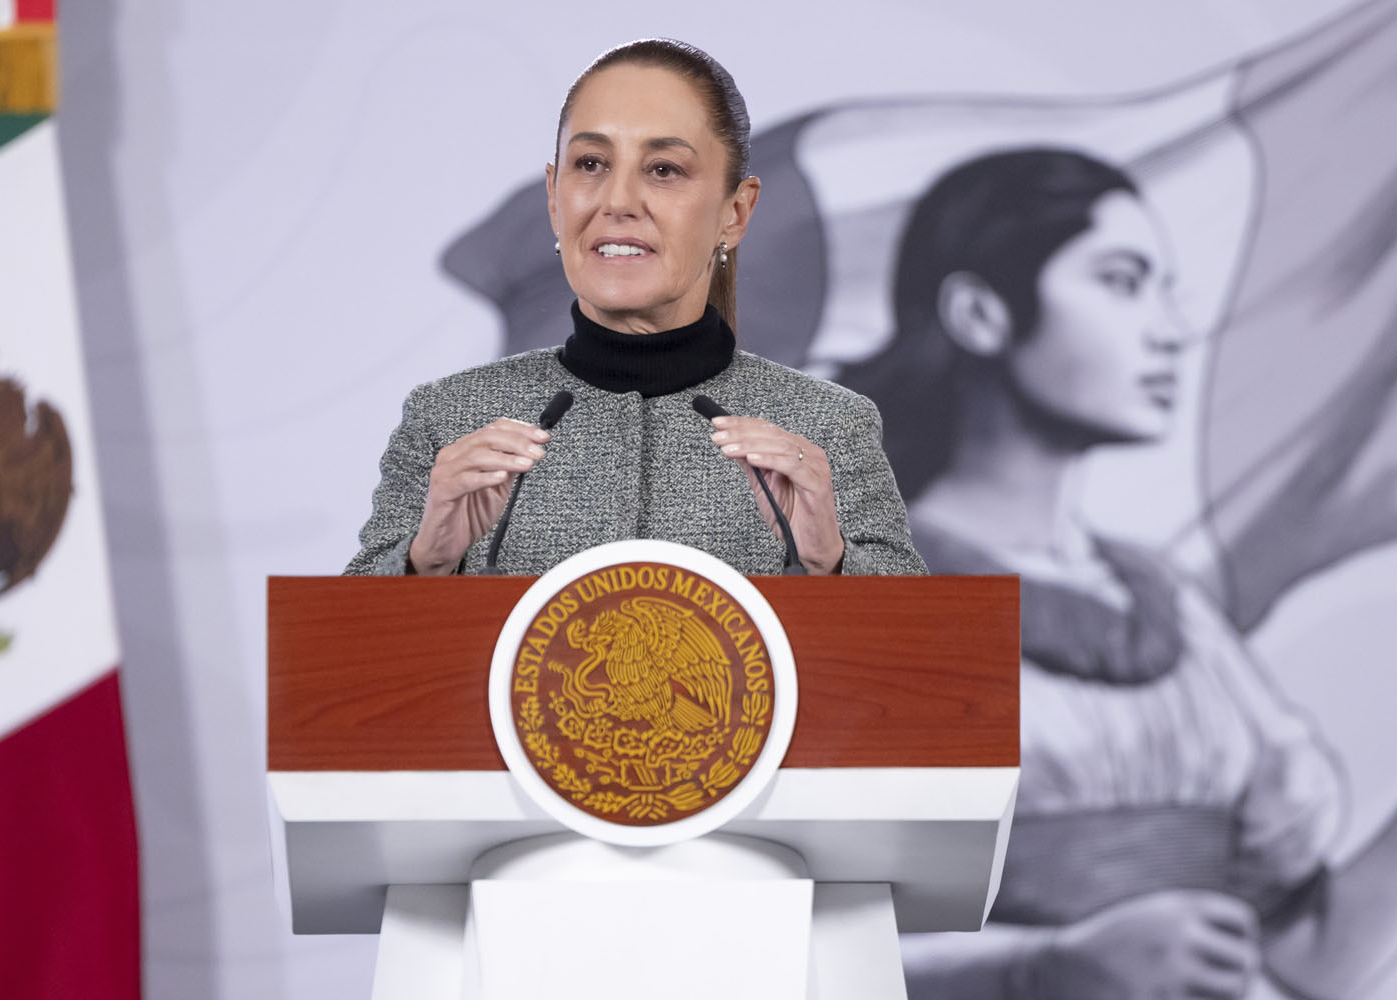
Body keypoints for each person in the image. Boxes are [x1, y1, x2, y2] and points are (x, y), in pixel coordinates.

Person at [841, 147, 1397, 999]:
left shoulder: (1169, 606)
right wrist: (1046, 967)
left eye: (1165, 289)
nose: (1170, 329)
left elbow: (1309, 956)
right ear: (981, 314)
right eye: (1122, 282)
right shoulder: (878, 592)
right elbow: (785, 948)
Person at [346, 39, 926, 579]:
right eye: (591, 164)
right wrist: (425, 561)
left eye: (663, 169)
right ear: (554, 198)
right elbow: (346, 640)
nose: (618, 201)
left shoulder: (828, 427)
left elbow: (917, 644)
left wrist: (832, 562)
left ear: (735, 213)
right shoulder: (446, 420)